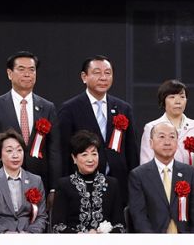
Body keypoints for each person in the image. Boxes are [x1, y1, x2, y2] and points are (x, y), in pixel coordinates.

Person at [53, 56, 138, 191]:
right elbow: (63, 150)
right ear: (84, 77)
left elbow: (131, 151)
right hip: (81, 184)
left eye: (108, 73)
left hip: (119, 184)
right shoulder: (69, 108)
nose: (103, 77)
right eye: (97, 72)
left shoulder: (123, 108)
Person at [0, 51, 58, 185]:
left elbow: (54, 150)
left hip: (40, 182)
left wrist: (53, 188)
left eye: (31, 70)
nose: (27, 74)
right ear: (10, 74)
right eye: (21, 69)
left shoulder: (47, 107)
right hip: (4, 181)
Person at [127, 121, 194, 233]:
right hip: (153, 242)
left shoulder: (190, 173)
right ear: (151, 143)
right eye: (161, 137)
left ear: (177, 142)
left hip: (187, 242)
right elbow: (139, 217)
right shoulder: (138, 175)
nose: (167, 142)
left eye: (172, 137)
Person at [52, 130, 127, 233]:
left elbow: (120, 225)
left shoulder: (112, 184)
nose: (90, 159)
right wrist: (81, 236)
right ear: (74, 158)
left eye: (94, 154)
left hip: (106, 244)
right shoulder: (64, 185)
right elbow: (57, 226)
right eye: (84, 154)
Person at [0, 130, 49, 233]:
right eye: (9, 151)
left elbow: (42, 216)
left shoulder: (35, 180)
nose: (15, 155)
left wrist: (30, 233)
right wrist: (4, 233)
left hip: (28, 239)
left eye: (19, 150)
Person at [140, 79, 194, 168]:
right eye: (172, 97)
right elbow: (145, 164)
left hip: (192, 180)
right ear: (163, 100)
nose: (178, 101)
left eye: (182, 97)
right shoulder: (151, 127)